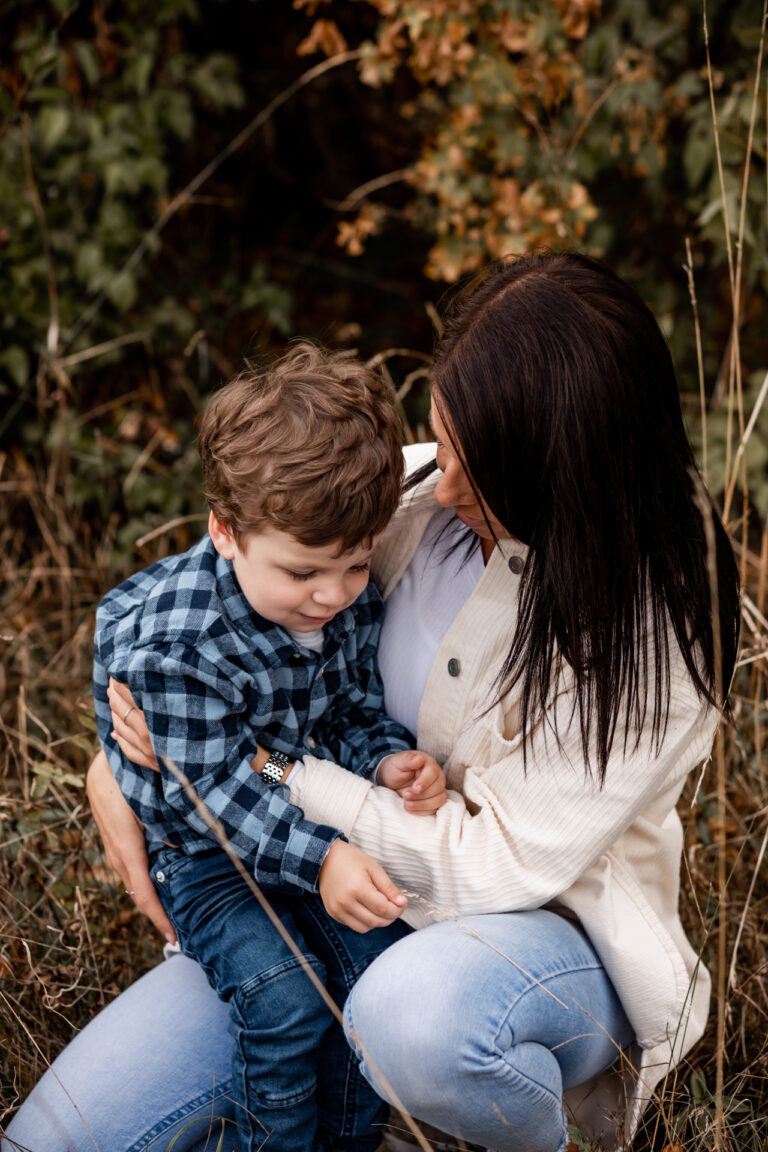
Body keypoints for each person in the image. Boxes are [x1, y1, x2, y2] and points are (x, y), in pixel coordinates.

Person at [3, 252, 740, 1152]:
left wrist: (251, 769)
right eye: (444, 434)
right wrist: (118, 764)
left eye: (485, 464)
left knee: (412, 1017)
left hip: (538, 950)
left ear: (566, 473)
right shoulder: (411, 491)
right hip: (314, 895)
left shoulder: (654, 631)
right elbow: (217, 606)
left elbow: (487, 870)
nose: (444, 480)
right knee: (55, 1139)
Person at [89, 341, 447, 1152]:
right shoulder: (177, 650)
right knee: (284, 995)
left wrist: (383, 758)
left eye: (353, 566)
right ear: (224, 531)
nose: (329, 595)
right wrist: (322, 860)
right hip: (210, 853)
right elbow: (215, 796)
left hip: (310, 829)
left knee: (374, 979)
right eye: (301, 573)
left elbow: (349, 709)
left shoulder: (341, 597)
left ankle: (348, 1141)